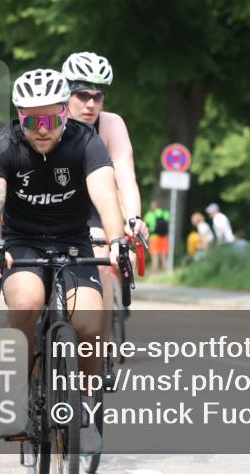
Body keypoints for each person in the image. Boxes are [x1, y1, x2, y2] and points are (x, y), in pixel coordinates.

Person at [0, 68, 126, 457]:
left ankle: (89, 413)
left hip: (73, 242)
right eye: (31, 120)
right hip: (22, 244)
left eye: (50, 119)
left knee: (90, 325)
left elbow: (106, 193)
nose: (41, 129)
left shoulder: (86, 142)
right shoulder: (2, 144)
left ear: (64, 113)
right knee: (26, 302)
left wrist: (115, 240)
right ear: (19, 116)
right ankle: (15, 396)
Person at [62, 52, 149, 345]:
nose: (90, 104)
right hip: (53, 203)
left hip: (96, 206)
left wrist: (133, 219)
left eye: (98, 97)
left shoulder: (111, 125)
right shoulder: (49, 120)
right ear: (66, 93)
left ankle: (100, 339)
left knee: (102, 257)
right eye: (82, 95)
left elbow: (125, 177)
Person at [144, 201, 171, 273]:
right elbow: (168, 221)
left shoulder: (149, 214)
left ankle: (154, 274)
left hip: (154, 237)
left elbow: (145, 224)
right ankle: (165, 274)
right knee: (164, 256)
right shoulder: (165, 213)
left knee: (154, 256)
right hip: (164, 237)